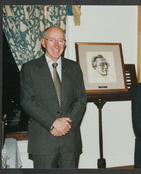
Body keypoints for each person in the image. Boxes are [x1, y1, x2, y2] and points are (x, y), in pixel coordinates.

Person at [20, 26, 87, 168]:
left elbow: (81, 99)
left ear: (65, 43)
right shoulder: (29, 68)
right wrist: (53, 123)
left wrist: (66, 125)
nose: (56, 45)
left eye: (60, 41)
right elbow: (27, 102)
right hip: (43, 141)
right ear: (43, 42)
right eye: (51, 40)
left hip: (70, 140)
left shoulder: (74, 67)